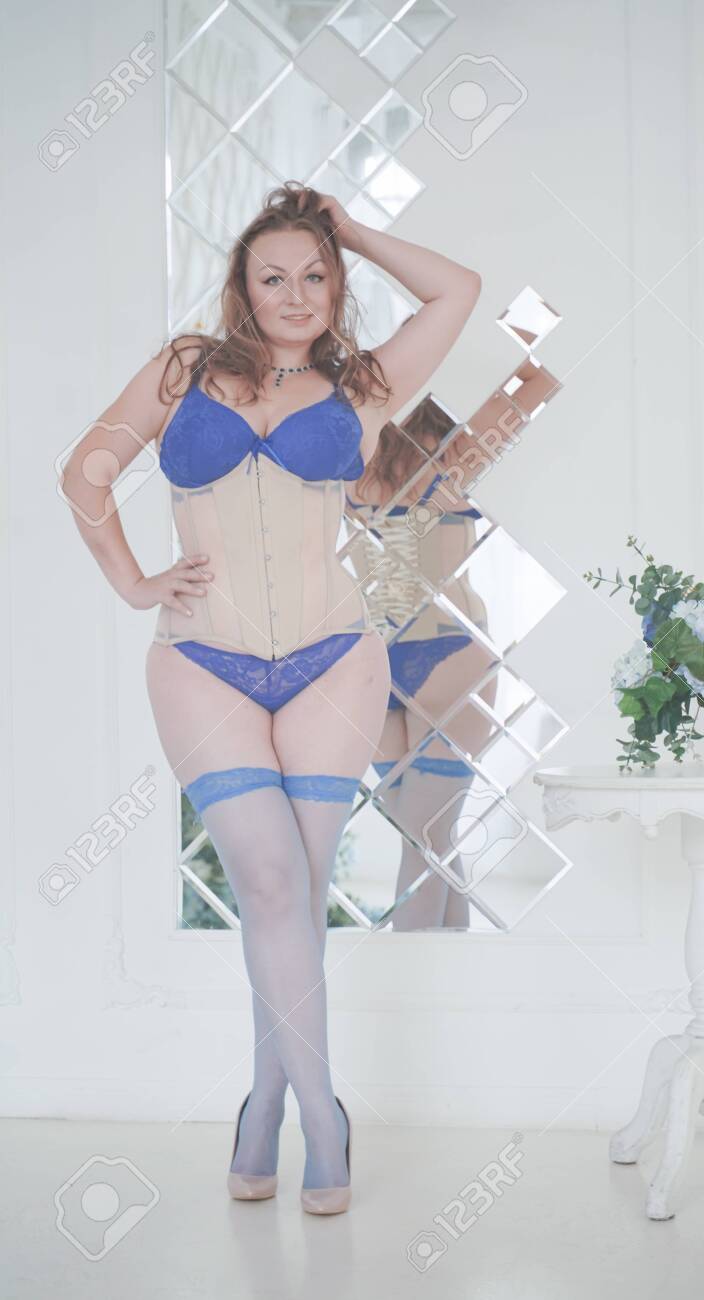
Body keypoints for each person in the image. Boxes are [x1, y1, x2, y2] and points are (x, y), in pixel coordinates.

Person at [60, 181, 481, 1213]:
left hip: (334, 658)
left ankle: (268, 1109)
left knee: (293, 891)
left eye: (315, 275)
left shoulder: (363, 383)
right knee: (269, 882)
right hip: (202, 660)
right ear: (241, 289)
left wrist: (354, 229)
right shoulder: (182, 370)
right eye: (273, 276)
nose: (295, 294)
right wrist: (134, 582)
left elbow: (459, 289)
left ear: (336, 284)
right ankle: (318, 1111)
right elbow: (85, 473)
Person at [345, 402, 498, 928]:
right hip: (449, 649)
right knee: (429, 841)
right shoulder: (460, 456)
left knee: (427, 840)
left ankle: (437, 973)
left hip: (372, 659)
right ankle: (424, 974)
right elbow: (535, 382)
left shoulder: (351, 461)